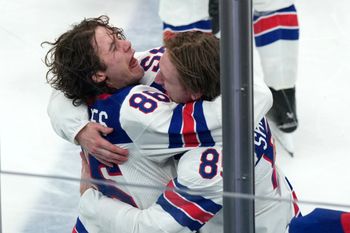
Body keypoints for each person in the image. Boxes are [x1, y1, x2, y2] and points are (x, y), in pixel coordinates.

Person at [44, 17, 296, 232]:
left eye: (167, 81)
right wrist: (78, 128)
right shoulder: (224, 89)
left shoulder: (154, 125)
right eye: (114, 44)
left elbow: (154, 228)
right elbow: (64, 91)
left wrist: (90, 203)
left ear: (195, 92)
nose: (155, 77)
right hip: (281, 206)